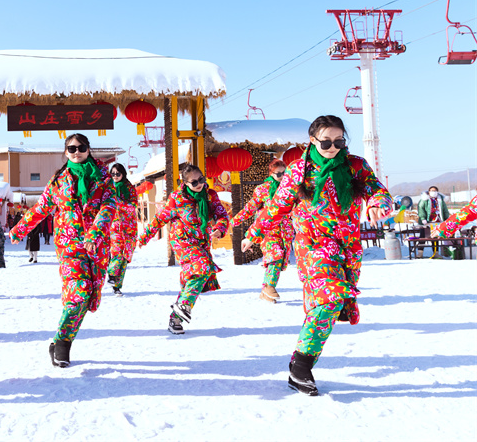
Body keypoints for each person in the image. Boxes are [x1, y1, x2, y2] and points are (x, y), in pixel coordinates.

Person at [242, 115, 391, 396]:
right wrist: (254, 232)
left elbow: (378, 191)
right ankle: (301, 368)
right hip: (313, 246)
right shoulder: (299, 171)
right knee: (330, 297)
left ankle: (300, 363)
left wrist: (377, 204)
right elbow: (276, 207)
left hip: (347, 249)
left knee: (328, 307)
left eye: (339, 141)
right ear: (312, 140)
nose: (333, 147)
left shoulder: (355, 166)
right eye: (326, 142)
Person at [9, 133, 116, 368]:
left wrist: (95, 233)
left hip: (96, 247)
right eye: (72, 148)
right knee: (79, 293)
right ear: (66, 152)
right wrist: (19, 229)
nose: (77, 152)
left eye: (81, 147)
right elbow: (41, 208)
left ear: (89, 149)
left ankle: (62, 340)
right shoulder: (58, 181)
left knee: (88, 298)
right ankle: (62, 343)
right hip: (69, 247)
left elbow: (108, 207)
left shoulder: (104, 178)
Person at [138, 164, 229, 335]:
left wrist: (219, 227)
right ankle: (184, 306)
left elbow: (221, 215)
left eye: (201, 179)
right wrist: (145, 236)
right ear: (185, 183)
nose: (199, 184)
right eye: (194, 182)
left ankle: (176, 319)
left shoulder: (210, 195)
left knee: (194, 278)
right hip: (183, 242)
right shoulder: (177, 198)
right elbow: (160, 218)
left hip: (201, 242)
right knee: (203, 267)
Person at [230, 159, 295, 303]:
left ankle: (265, 291)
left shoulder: (291, 188)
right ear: (271, 174)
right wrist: (234, 221)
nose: (282, 176)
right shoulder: (263, 189)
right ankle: (269, 287)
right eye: (278, 174)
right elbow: (250, 207)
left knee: (278, 261)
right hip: (267, 230)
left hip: (284, 232)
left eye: (284, 173)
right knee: (275, 255)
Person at [107, 163, 137, 297]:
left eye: (117, 173)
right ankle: (112, 274)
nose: (115, 176)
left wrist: (120, 202)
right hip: (115, 227)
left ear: (123, 174)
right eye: (112, 174)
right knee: (117, 253)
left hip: (129, 228)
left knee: (124, 258)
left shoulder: (129, 188)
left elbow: (133, 205)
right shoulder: (109, 188)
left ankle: (117, 286)